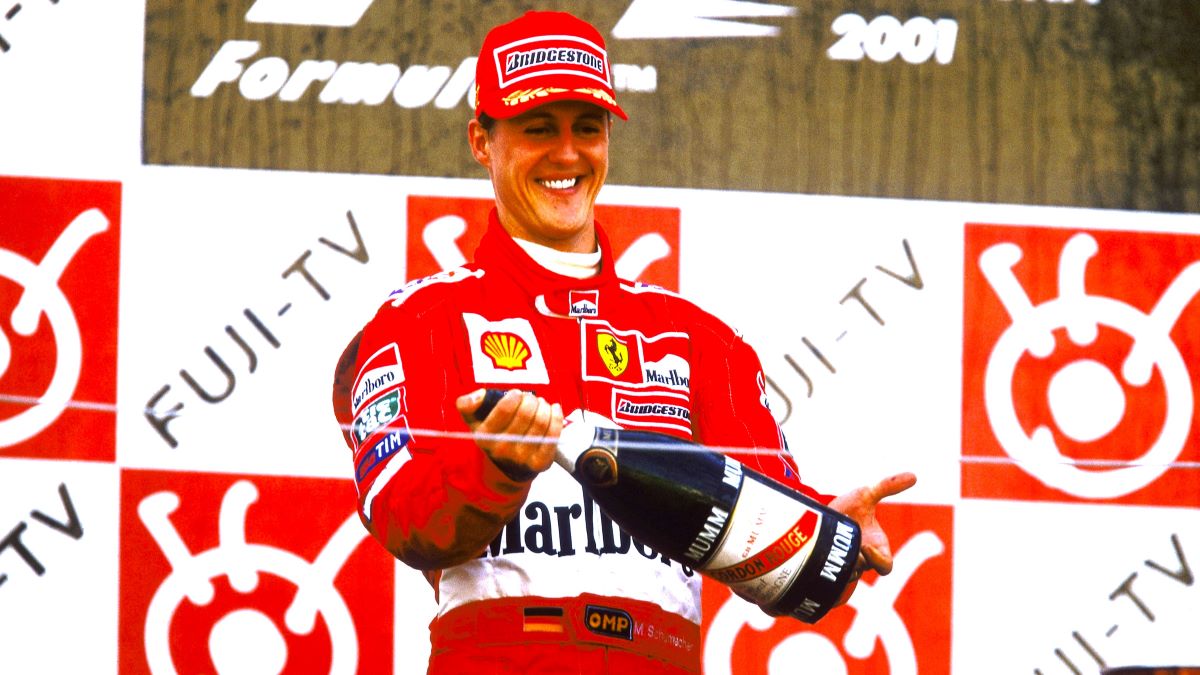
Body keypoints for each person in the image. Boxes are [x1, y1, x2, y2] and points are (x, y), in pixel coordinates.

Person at [331, 10, 916, 674]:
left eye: (588, 128)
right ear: (481, 141)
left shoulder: (699, 338)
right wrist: (499, 468)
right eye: (536, 129)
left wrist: (820, 536)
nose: (568, 154)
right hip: (496, 655)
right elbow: (405, 521)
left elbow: (764, 534)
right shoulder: (420, 320)